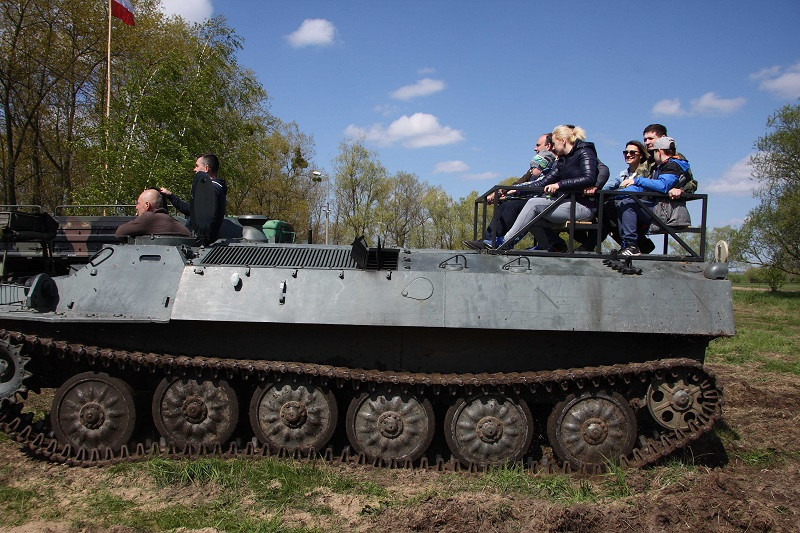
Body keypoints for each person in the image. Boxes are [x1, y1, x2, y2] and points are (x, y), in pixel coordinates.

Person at [496, 125, 602, 252]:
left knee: (533, 204)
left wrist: (559, 185)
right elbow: (543, 183)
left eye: (554, 143)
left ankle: (506, 241)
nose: (553, 146)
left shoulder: (585, 151)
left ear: (563, 141)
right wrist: (514, 191)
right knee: (529, 213)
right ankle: (554, 245)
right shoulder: (563, 160)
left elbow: (589, 178)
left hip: (583, 207)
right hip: (566, 203)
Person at [463, 134, 556, 250]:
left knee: (513, 206)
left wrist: (511, 193)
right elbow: (520, 183)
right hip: (533, 198)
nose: (534, 148)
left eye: (538, 145)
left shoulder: (552, 164)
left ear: (548, 146)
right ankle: (488, 239)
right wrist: (502, 193)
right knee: (504, 204)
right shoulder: (536, 166)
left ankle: (502, 241)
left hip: (545, 201)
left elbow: (536, 185)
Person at [615, 136, 691, 256]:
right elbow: (645, 187)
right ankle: (628, 245)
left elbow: (663, 185)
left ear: (659, 151)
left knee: (628, 204)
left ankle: (632, 246)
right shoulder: (661, 167)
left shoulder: (672, 166)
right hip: (659, 208)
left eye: (654, 152)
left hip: (668, 212)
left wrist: (637, 180)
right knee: (620, 203)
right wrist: (614, 195)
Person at [159, 154, 227, 242]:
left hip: (199, 243)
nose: (194, 169)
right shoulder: (214, 188)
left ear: (206, 169)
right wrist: (171, 196)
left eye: (197, 166)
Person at [114, 188, 191, 241]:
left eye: (138, 203)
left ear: (147, 205)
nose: (136, 207)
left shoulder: (147, 219)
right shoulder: (173, 221)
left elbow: (120, 233)